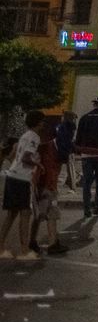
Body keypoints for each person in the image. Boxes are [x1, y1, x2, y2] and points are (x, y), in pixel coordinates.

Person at [1, 111, 45, 259]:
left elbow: (16, 155)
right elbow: (26, 157)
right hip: (21, 178)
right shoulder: (34, 137)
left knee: (12, 214)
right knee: (25, 214)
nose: (44, 124)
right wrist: (38, 164)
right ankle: (24, 250)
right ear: (38, 122)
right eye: (42, 121)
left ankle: (1, 247)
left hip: (12, 175)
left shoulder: (25, 135)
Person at [28, 118, 67, 256]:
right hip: (44, 186)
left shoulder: (58, 147)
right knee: (50, 214)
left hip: (46, 185)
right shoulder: (46, 147)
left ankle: (37, 241)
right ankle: (51, 243)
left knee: (43, 215)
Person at [75, 97, 98, 218]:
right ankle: (97, 206)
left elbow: (78, 137)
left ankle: (86, 209)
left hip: (86, 154)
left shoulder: (84, 117)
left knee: (87, 182)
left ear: (94, 104)